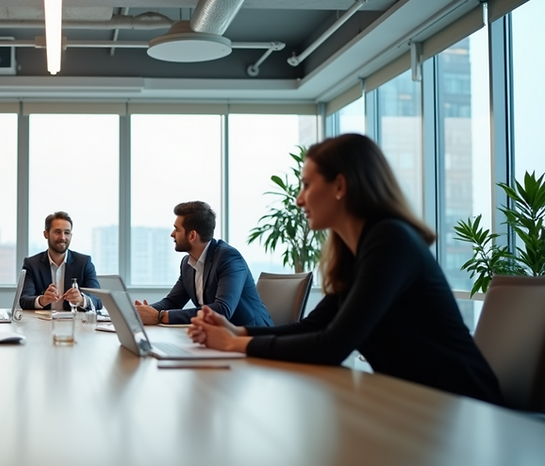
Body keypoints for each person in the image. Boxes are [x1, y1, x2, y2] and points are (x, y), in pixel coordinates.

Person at [188, 134, 503, 404]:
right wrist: (237, 330)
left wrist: (233, 344)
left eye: (307, 185)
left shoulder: (391, 240)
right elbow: (313, 327)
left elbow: (333, 345)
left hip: (467, 406)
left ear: (340, 185)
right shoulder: (360, 251)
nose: (299, 199)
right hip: (417, 403)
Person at [134, 201, 272, 327]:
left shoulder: (228, 257)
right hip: (220, 337)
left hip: (253, 338)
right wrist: (139, 312)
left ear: (192, 235)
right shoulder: (187, 264)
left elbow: (222, 310)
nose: (172, 234)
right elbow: (172, 302)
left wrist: (160, 316)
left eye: (177, 229)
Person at [19, 211, 101, 311]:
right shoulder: (32, 264)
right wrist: (42, 300)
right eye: (57, 232)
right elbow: (24, 300)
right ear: (46, 234)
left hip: (74, 324)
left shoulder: (84, 262)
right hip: (43, 324)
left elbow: (98, 300)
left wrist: (81, 300)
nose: (62, 237)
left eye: (66, 232)